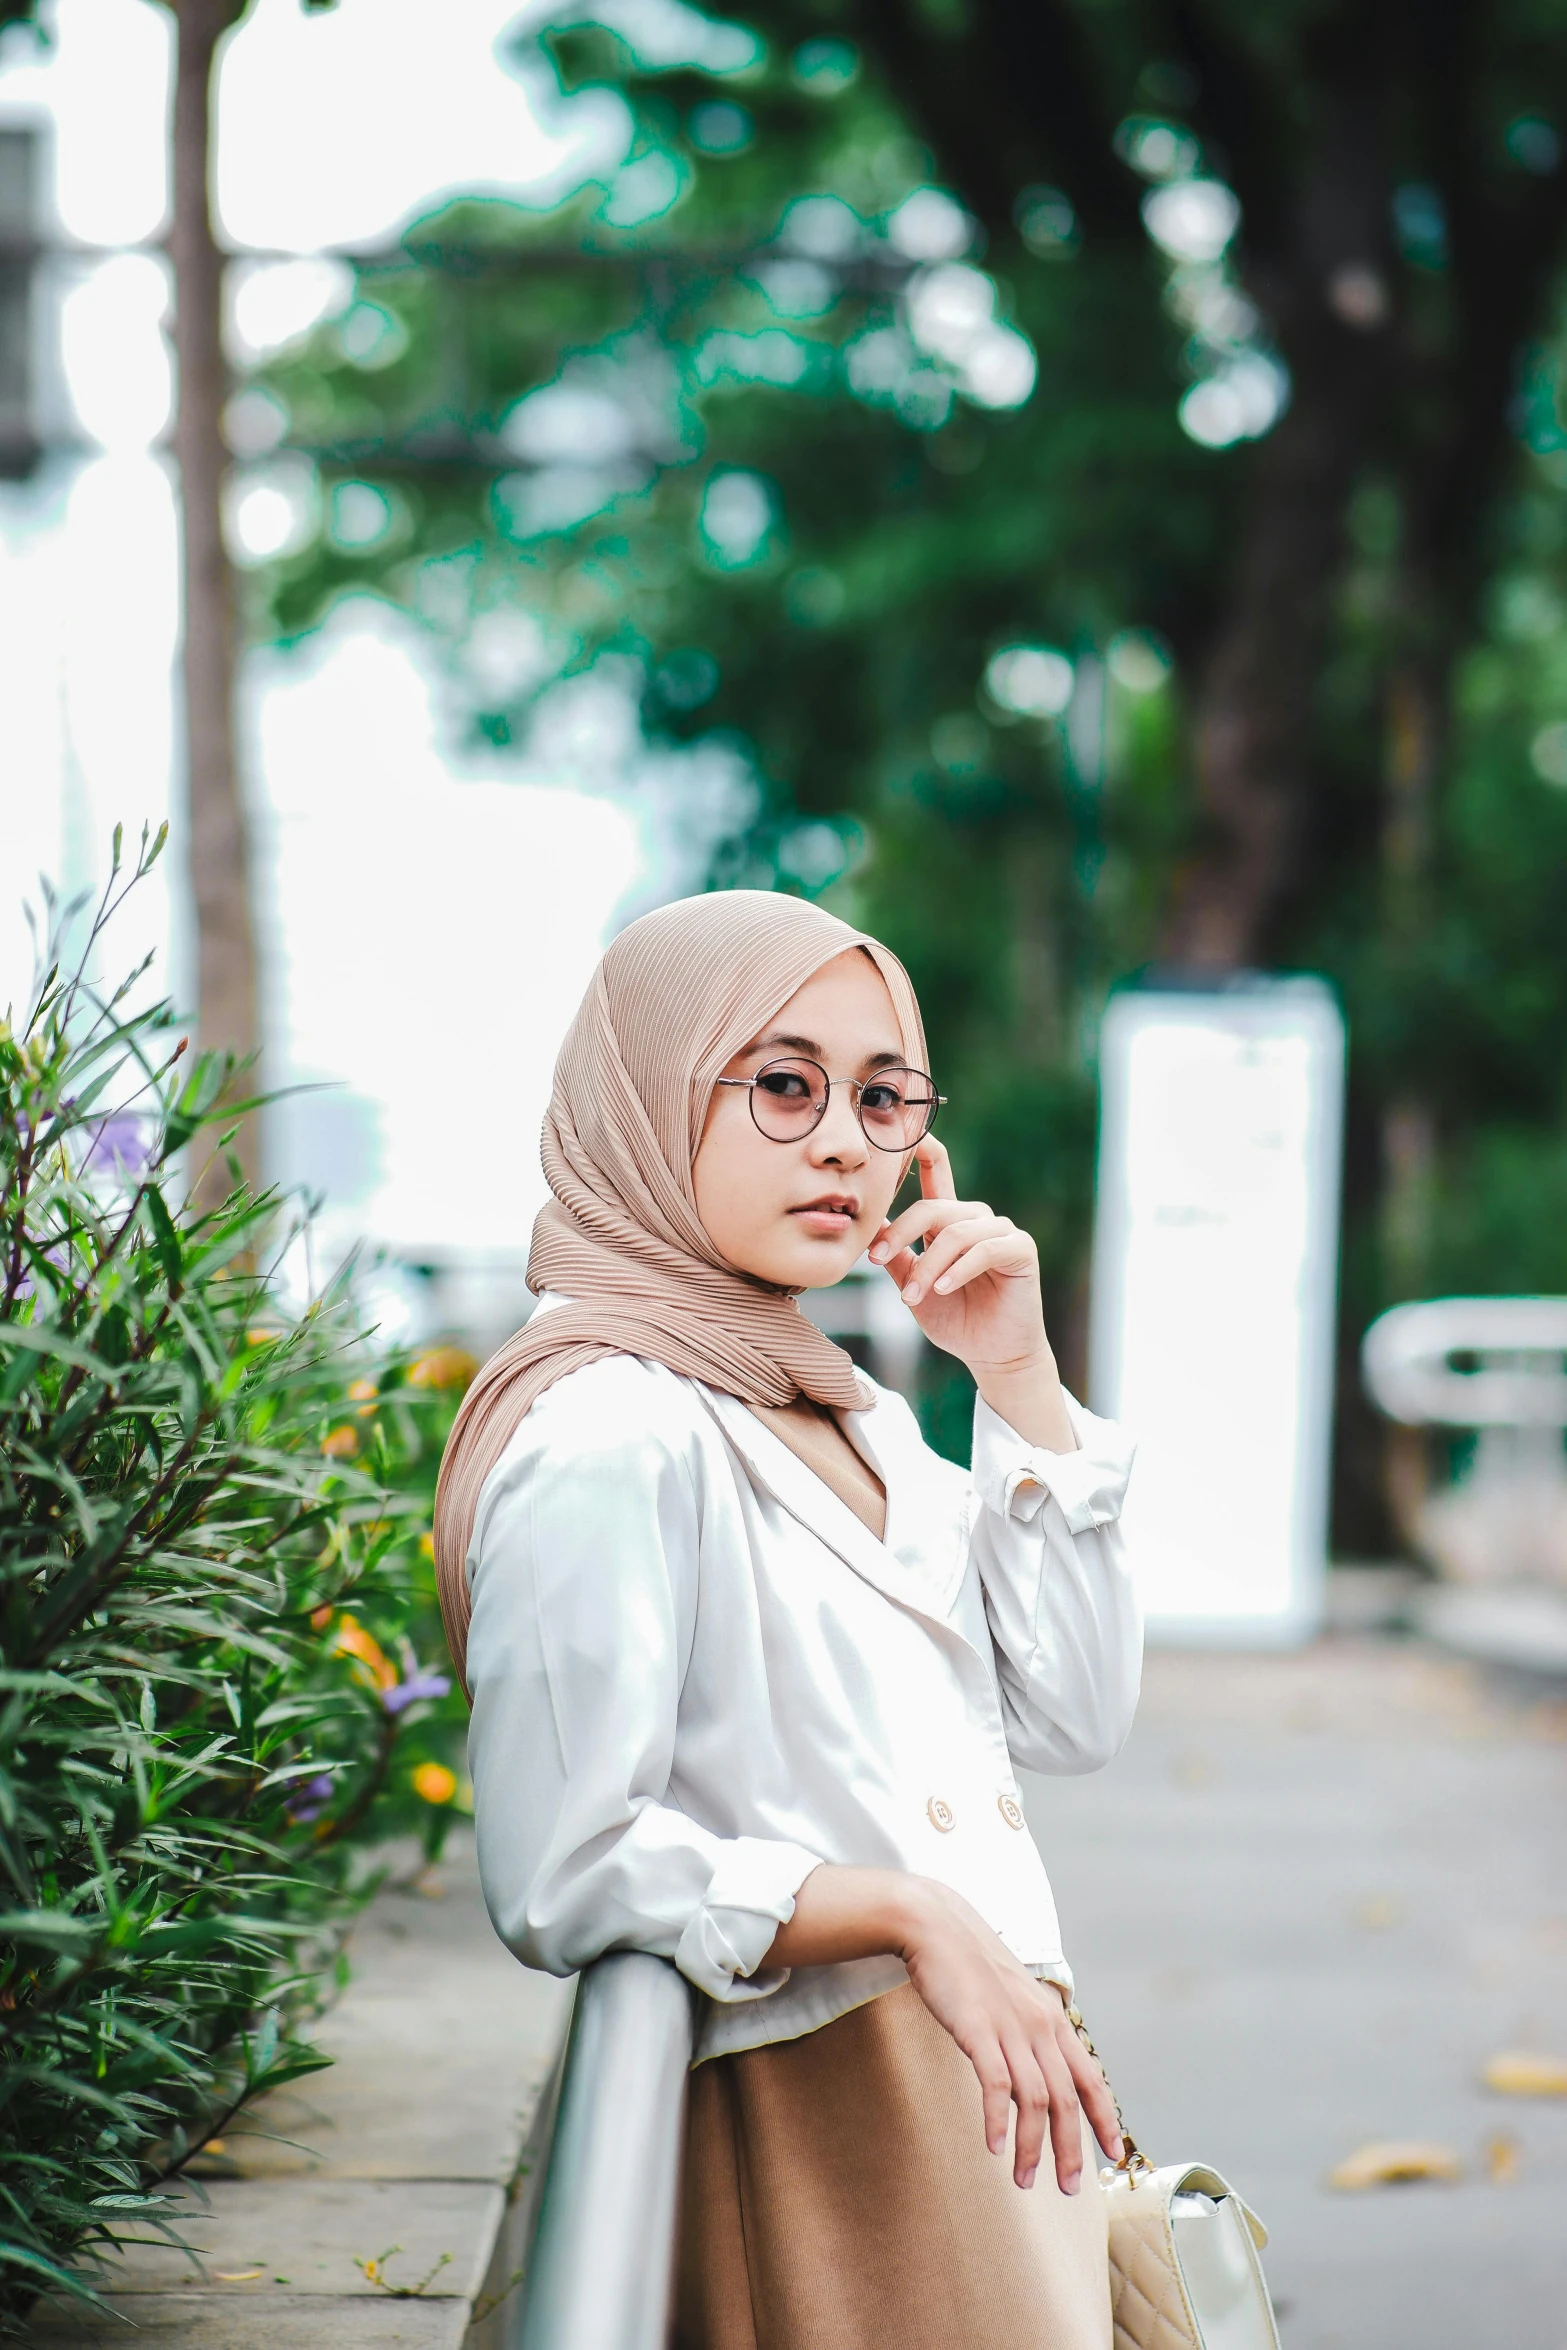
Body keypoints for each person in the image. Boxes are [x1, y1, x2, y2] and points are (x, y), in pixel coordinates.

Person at [433, 890, 1142, 2350]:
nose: (842, 1141)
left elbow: (1074, 1708)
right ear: (643, 1100)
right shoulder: (607, 1424)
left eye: (884, 1097)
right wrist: (897, 1906)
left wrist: (1013, 1376)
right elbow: (562, 1860)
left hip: (991, 2105)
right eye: (782, 1082)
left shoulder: (845, 1407)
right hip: (835, 2124)